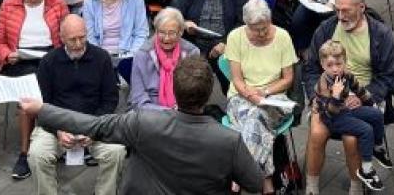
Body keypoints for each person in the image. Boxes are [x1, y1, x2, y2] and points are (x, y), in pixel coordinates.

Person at [20, 56, 261, 194]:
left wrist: (41, 109)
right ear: (209, 94)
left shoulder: (142, 121)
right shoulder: (229, 140)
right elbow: (255, 183)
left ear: (173, 91)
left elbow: (92, 125)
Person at [304, 0, 394, 195]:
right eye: (337, 9)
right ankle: (311, 187)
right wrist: (314, 98)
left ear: (362, 7)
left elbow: (387, 75)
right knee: (317, 132)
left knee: (351, 137)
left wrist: (365, 97)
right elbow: (310, 69)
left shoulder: (380, 34)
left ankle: (357, 187)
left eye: (346, 10)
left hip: (363, 94)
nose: (340, 15)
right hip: (327, 96)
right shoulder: (326, 29)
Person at [27, 15, 125, 195]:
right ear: (61, 38)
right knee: (37, 154)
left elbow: (110, 100)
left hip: (94, 123)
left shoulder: (101, 58)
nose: (79, 44)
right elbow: (42, 105)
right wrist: (57, 130)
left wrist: (94, 128)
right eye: (73, 39)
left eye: (82, 37)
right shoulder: (48, 62)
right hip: (57, 124)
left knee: (117, 152)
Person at [0, 0, 69, 181]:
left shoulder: (57, 3)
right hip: (20, 58)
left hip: (51, 55)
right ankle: (26, 153)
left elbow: (65, 39)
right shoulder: (9, 3)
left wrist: (58, 55)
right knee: (28, 96)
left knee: (52, 86)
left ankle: (52, 142)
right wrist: (8, 55)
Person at [226, 0, 298, 194]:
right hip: (241, 96)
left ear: (270, 20)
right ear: (245, 24)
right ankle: (267, 183)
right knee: (255, 120)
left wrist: (264, 92)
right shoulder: (235, 37)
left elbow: (288, 79)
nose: (261, 33)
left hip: (275, 98)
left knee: (256, 117)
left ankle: (238, 179)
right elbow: (237, 80)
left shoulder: (282, 36)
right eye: (255, 29)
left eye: (264, 27)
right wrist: (251, 95)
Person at [313, 40, 387, 191]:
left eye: (339, 64)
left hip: (345, 109)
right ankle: (366, 170)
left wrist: (372, 103)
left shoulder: (346, 75)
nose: (335, 69)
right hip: (332, 118)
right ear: (323, 65)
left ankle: (377, 148)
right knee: (366, 130)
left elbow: (360, 90)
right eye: (330, 65)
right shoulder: (323, 84)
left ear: (345, 62)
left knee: (376, 114)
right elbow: (329, 112)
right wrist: (335, 95)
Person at [172, 0, 248, 93]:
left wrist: (226, 43)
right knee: (190, 80)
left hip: (224, 42)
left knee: (230, 76)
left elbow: (243, 21)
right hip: (194, 42)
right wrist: (184, 22)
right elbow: (174, 10)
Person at [82, 0, 148, 82]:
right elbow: (90, 38)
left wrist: (130, 56)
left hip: (129, 55)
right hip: (100, 57)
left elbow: (141, 33)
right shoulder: (89, 2)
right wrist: (102, 58)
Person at [129, 7, 200, 109]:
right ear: (156, 31)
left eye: (171, 33)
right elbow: (138, 98)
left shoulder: (192, 53)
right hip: (150, 112)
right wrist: (166, 113)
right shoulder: (143, 54)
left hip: (182, 111)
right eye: (161, 32)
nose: (166, 38)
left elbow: (195, 94)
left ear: (180, 32)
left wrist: (179, 111)